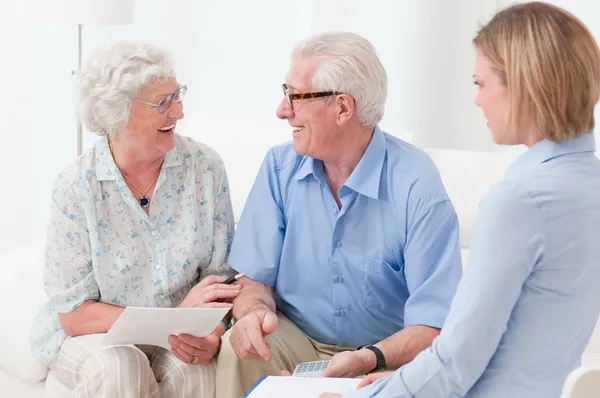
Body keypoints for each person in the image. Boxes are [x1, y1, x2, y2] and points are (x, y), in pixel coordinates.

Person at [321, 2, 600, 398]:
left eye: (480, 84)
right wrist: (401, 380)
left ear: (522, 84)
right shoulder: (589, 184)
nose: (477, 101)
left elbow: (457, 363)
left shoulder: (520, 199)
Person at [215, 32, 462, 398]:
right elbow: (255, 281)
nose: (283, 110)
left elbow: (434, 327)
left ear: (343, 108)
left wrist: (368, 358)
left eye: (294, 96)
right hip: (297, 338)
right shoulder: (279, 167)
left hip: (387, 354)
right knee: (240, 345)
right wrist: (252, 312)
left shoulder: (417, 186)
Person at [30, 42, 240, 398]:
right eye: (163, 103)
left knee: (196, 371)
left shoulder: (205, 167)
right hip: (91, 336)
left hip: (177, 333)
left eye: (178, 95)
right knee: (121, 365)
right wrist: (168, 317)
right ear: (118, 114)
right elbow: (74, 314)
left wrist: (211, 335)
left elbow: (220, 278)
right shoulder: (76, 187)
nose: (180, 110)